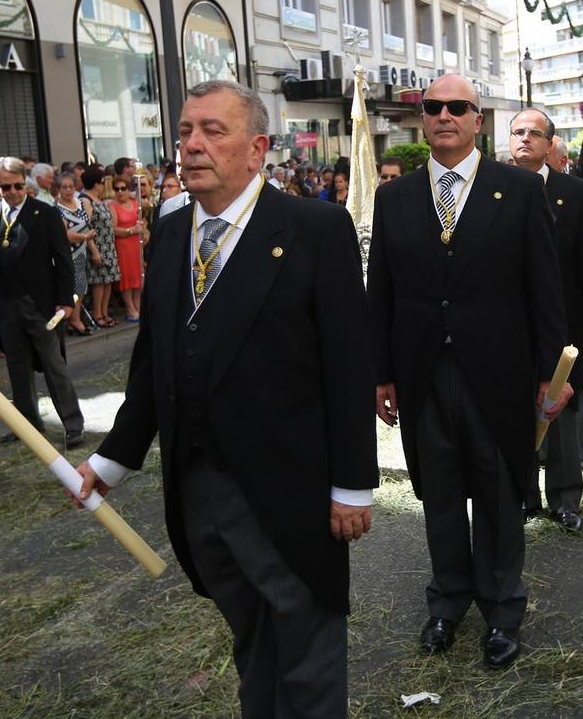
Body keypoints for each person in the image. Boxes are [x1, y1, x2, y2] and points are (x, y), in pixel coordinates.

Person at [76, 80, 377, 715]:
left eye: (213, 131)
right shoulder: (173, 229)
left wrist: (353, 484)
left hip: (288, 491)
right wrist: (111, 461)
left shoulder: (314, 228)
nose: (191, 146)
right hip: (200, 491)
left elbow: (349, 365)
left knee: (308, 650)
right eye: (185, 131)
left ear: (257, 148)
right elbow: (154, 362)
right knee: (251, 640)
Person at [367, 74, 569, 670]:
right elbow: (382, 292)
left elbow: (544, 289)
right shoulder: (396, 198)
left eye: (459, 107)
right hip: (423, 374)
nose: (445, 116)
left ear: (478, 120)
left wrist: (548, 373)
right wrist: (381, 372)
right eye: (434, 107)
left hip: (499, 373)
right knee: (441, 494)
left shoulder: (519, 189)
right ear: (422, 119)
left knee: (502, 493)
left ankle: (503, 611)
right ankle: (447, 601)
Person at [508, 109, 583, 533]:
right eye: (518, 132)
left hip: (566, 330)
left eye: (535, 133)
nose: (525, 139)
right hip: (510, 329)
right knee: (515, 415)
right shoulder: (490, 191)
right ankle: (522, 497)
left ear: (550, 144)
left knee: (563, 418)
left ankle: (565, 499)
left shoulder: (578, 194)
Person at [0, 158, 85, 450]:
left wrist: (65, 301)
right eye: (6, 187)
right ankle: (26, 426)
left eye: (18, 185)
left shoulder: (44, 213)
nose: (13, 191)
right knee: (16, 367)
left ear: (25, 183)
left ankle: (72, 424)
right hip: (6, 305)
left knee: (54, 366)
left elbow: (63, 261)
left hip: (40, 305)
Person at [56, 171, 94, 335]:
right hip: (68, 253)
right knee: (74, 288)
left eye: (71, 186)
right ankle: (74, 320)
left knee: (81, 288)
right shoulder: (56, 209)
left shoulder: (80, 203)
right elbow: (64, 235)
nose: (68, 190)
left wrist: (93, 248)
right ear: (58, 189)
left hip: (82, 252)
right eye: (64, 187)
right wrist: (85, 236)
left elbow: (87, 226)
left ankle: (74, 319)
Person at [83, 166, 121, 327]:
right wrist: (94, 250)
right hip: (98, 246)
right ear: (96, 183)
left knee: (108, 281)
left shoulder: (100, 199)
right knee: (99, 282)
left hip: (108, 245)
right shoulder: (86, 200)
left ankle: (105, 313)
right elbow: (87, 226)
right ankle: (97, 314)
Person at [110, 173, 145, 322]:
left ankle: (138, 306)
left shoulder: (135, 203)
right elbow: (113, 229)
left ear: (127, 189)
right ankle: (130, 308)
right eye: (116, 189)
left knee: (137, 277)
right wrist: (131, 230)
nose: (120, 192)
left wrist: (143, 229)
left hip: (136, 244)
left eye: (123, 188)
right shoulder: (112, 206)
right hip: (123, 245)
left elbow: (142, 220)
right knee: (126, 279)